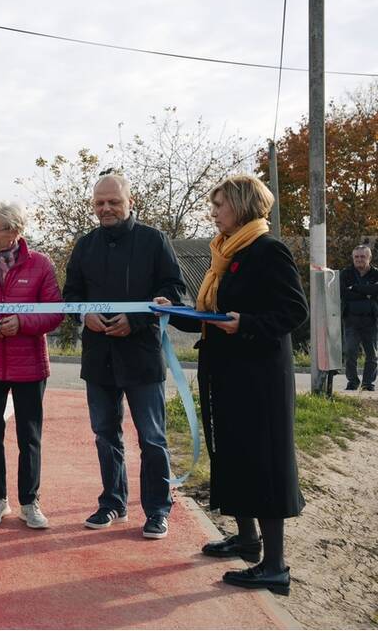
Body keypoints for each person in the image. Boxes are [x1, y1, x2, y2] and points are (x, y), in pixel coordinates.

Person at [157, 174, 307, 596]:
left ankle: (275, 564)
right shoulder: (225, 252)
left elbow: (294, 311)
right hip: (226, 373)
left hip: (259, 378)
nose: (214, 211)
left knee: (263, 461)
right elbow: (215, 315)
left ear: (240, 205)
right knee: (235, 454)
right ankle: (246, 539)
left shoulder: (267, 250)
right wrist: (174, 312)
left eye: (220, 204)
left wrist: (248, 326)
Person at [62, 172, 185, 540]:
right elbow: (71, 295)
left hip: (142, 356)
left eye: (113, 201)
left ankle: (158, 510)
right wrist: (86, 315)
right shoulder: (85, 246)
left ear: (131, 202)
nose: (106, 208)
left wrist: (135, 319)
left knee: (151, 437)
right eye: (100, 203)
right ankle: (112, 502)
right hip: (99, 357)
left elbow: (173, 290)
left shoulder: (154, 240)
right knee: (104, 434)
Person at [0, 201, 63, 528]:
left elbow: (55, 312)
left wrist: (22, 322)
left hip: (29, 364)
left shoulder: (41, 265)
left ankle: (30, 502)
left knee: (29, 436)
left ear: (14, 231)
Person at [340, 244, 378, 392]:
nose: (359, 259)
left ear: (369, 258)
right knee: (350, 352)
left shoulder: (376, 273)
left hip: (371, 320)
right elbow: (344, 294)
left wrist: (355, 288)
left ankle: (368, 383)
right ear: (353, 258)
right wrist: (368, 293)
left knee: (372, 355)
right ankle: (352, 381)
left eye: (362, 256)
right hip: (351, 320)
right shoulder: (346, 274)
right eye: (356, 257)